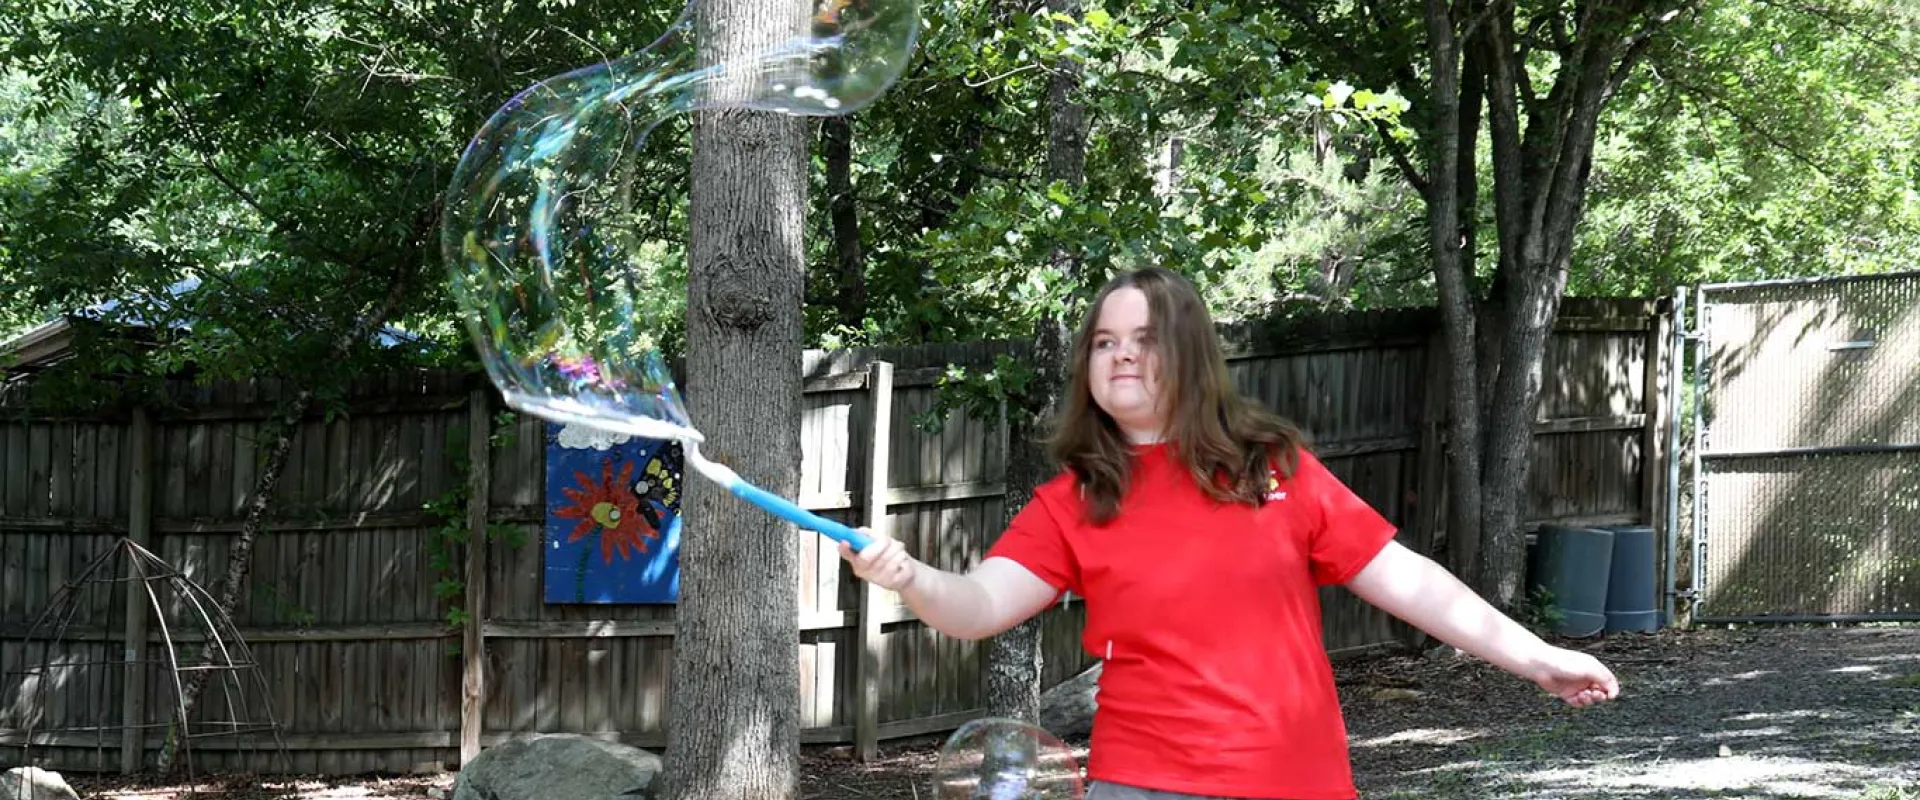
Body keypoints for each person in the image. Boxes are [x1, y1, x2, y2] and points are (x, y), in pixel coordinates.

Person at [838, 266, 1619, 800]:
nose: (1120, 353)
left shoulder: (1272, 471)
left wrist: (1538, 657)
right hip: (1143, 783)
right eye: (1104, 341)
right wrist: (909, 577)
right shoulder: (1075, 501)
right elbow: (977, 605)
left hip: (1294, 778)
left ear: (1190, 355)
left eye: (1144, 337)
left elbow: (1408, 580)